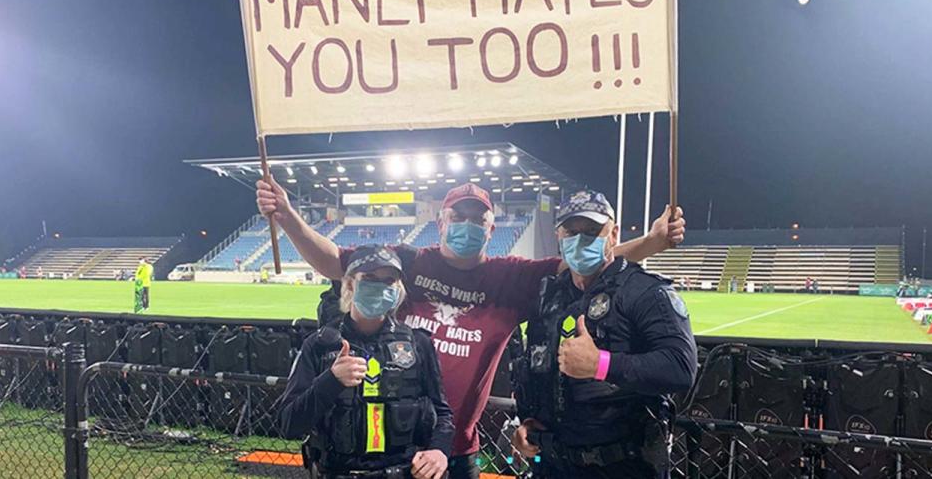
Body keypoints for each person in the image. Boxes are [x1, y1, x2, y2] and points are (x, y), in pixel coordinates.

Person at [257, 179, 685, 479]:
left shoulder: (510, 277)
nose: (466, 226)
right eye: (457, 217)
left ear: (490, 229)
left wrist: (652, 243)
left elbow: (584, 260)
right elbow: (334, 260)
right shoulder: (407, 262)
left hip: (457, 451)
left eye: (477, 220)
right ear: (440, 223)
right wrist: (288, 215)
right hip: (390, 451)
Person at [511, 190, 697, 478]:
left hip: (625, 467)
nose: (580, 240)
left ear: (614, 234)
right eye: (571, 231)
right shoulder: (548, 298)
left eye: (592, 231)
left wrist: (601, 364)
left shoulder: (646, 291)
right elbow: (538, 370)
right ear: (559, 236)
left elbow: (681, 367)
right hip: (553, 465)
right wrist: (527, 423)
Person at [278, 245, 453, 479]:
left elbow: (443, 414)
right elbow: (288, 424)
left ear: (397, 288)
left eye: (388, 280)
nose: (379, 287)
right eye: (369, 278)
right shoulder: (319, 345)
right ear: (350, 283)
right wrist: (331, 381)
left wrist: (439, 450)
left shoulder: (418, 343)